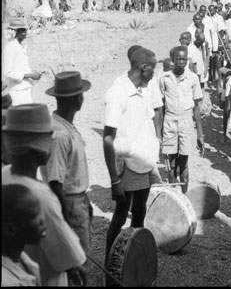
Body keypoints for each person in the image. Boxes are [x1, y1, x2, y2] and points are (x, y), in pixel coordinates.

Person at [2, 104, 87, 286]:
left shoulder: (5, 174)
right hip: (45, 278)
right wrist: (75, 267)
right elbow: (69, 255)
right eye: (48, 137)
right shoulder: (42, 197)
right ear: (38, 145)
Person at [103, 47, 163, 263]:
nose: (154, 74)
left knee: (140, 212)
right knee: (121, 214)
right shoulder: (118, 93)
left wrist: (156, 142)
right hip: (127, 164)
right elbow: (108, 139)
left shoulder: (145, 87)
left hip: (144, 159)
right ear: (143, 67)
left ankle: (133, 259)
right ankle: (111, 264)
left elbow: (150, 117)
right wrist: (114, 180)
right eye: (153, 69)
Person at [40, 71, 92, 255]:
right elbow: (55, 182)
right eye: (81, 95)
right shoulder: (60, 135)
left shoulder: (65, 125)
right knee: (76, 259)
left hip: (77, 199)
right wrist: (66, 220)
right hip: (69, 202)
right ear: (78, 99)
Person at [159, 46, 204, 193]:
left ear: (187, 60)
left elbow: (197, 107)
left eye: (184, 59)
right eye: (177, 59)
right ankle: (174, 197)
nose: (181, 62)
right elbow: (160, 107)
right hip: (170, 121)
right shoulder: (164, 78)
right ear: (172, 60)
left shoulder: (192, 78)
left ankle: (184, 196)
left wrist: (200, 134)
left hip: (186, 121)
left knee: (183, 163)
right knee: (171, 164)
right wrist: (159, 133)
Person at [2, 184, 47, 286]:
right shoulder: (8, 282)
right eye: (34, 215)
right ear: (10, 229)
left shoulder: (20, 257)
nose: (42, 220)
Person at [2, 18, 44, 106]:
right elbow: (7, 72)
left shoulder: (19, 47)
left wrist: (32, 75)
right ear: (15, 32)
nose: (25, 32)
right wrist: (30, 75)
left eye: (25, 30)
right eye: (22, 30)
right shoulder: (10, 47)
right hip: (17, 91)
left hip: (24, 89)